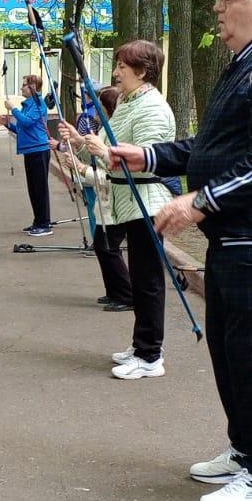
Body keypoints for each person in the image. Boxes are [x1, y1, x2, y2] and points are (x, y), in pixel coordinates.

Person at [105, 0, 252, 501]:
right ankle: (246, 451)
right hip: (241, 234)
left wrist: (200, 201)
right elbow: (213, 147)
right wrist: (150, 156)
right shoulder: (247, 62)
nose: (217, 8)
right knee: (231, 352)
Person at [65, 40, 175, 379]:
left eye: (122, 68)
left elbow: (145, 161)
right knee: (142, 279)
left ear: (142, 72)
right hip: (128, 202)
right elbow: (105, 146)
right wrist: (81, 142)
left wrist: (101, 151)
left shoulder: (153, 108)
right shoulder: (128, 102)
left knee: (148, 281)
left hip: (148, 203)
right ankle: (141, 346)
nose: (115, 73)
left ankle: (150, 355)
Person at [52, 85, 132, 311]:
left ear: (107, 108)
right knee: (102, 245)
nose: (94, 112)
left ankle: (126, 295)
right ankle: (115, 292)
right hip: (105, 199)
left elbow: (110, 171)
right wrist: (77, 140)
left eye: (98, 107)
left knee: (108, 246)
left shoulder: (116, 131)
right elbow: (95, 156)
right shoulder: (107, 129)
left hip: (114, 199)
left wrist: (81, 168)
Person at [5, 73, 53, 235]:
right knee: (33, 188)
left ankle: (45, 223)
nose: (21, 87)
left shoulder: (38, 104)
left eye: (24, 84)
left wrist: (13, 108)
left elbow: (26, 122)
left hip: (39, 150)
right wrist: (7, 124)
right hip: (31, 150)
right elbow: (22, 128)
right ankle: (38, 220)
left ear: (33, 87)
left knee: (40, 188)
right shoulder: (29, 105)